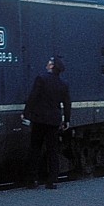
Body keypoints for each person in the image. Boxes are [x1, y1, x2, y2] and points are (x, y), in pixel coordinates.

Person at [22, 56, 71, 188]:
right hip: (54, 121)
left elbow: (33, 97)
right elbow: (67, 104)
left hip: (39, 120)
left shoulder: (41, 79)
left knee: (35, 149)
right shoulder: (63, 84)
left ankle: (32, 180)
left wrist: (26, 113)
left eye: (49, 63)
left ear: (52, 66)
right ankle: (52, 181)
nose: (47, 64)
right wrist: (67, 120)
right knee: (53, 151)